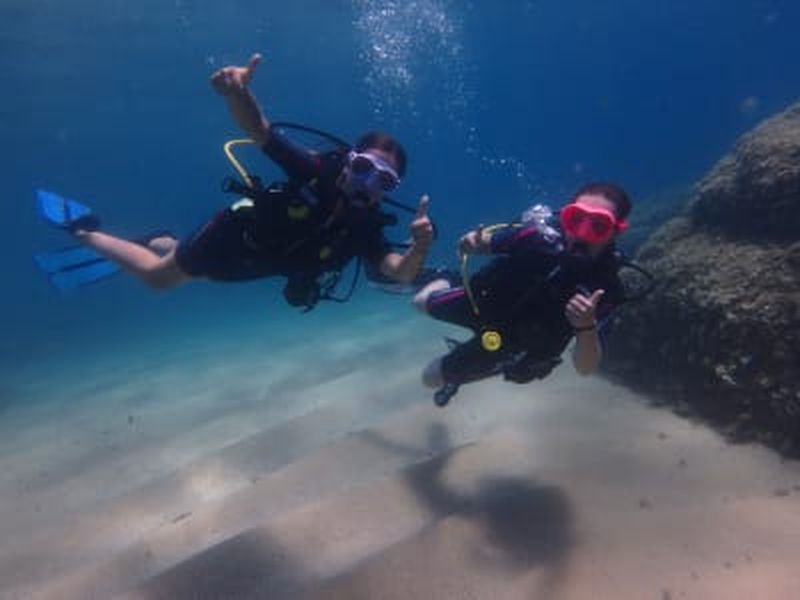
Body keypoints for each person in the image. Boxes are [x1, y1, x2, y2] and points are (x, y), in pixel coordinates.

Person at [36, 54, 434, 308]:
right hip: (233, 235)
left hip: (262, 263)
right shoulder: (315, 171)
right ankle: (84, 230)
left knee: (195, 270)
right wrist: (237, 93)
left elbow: (399, 272)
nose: (368, 184)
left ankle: (164, 240)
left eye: (384, 181)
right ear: (348, 162)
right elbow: (260, 131)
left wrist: (418, 249)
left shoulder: (365, 226)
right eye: (363, 167)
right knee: (161, 279)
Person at [413, 182, 632, 406]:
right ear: (564, 217)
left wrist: (586, 327)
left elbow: (585, 369)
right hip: (483, 301)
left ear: (616, 232)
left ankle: (487, 367)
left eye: (599, 226)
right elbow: (483, 243)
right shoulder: (537, 236)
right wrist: (472, 242)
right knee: (419, 302)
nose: (582, 234)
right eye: (575, 219)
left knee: (430, 378)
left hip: (514, 343)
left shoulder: (606, 289)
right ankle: (446, 277)